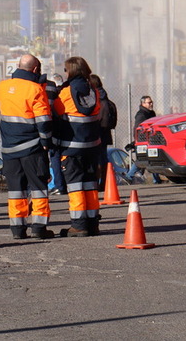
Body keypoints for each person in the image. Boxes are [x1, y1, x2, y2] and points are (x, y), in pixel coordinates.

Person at [0, 54, 53, 240]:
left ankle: (17, 229)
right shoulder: (35, 89)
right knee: (38, 187)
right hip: (31, 147)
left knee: (15, 190)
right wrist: (46, 142)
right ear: (36, 69)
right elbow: (43, 121)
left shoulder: (2, 87)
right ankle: (38, 227)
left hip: (8, 148)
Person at [52, 56, 102, 237]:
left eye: (65, 70)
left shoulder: (65, 93)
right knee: (90, 185)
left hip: (71, 147)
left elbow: (55, 112)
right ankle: (92, 223)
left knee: (75, 186)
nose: (64, 73)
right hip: (92, 147)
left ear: (71, 71)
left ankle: (79, 225)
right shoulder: (94, 92)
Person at [90, 74, 117, 188]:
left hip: (98, 134)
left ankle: (100, 183)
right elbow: (112, 122)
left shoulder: (98, 100)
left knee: (98, 159)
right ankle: (103, 182)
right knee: (102, 158)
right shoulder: (107, 100)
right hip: (104, 134)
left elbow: (104, 120)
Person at [131, 96, 161, 184]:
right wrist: (140, 141)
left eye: (151, 102)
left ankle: (157, 179)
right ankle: (129, 176)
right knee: (143, 160)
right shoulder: (141, 114)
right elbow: (138, 129)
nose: (151, 104)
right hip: (143, 141)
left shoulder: (151, 113)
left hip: (151, 140)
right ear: (143, 104)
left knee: (152, 159)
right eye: (149, 102)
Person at [45, 74, 65, 196]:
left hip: (52, 131)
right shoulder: (64, 95)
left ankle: (59, 185)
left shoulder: (53, 98)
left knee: (54, 159)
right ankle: (60, 185)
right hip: (62, 131)